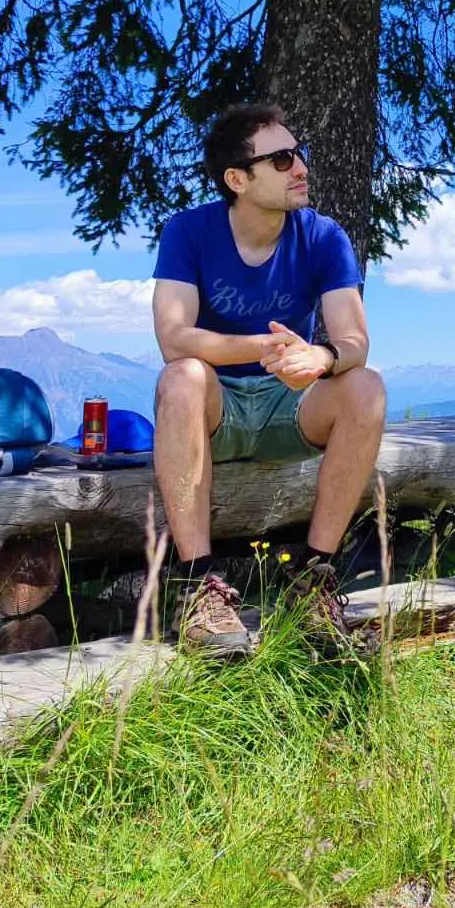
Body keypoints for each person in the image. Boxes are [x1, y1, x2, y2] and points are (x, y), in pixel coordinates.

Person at [151, 103, 386, 655]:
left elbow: (355, 341)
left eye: (298, 154)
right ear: (237, 179)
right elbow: (174, 337)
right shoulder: (188, 232)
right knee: (182, 377)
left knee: (366, 386)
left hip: (292, 404)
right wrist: (263, 346)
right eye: (281, 159)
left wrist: (322, 357)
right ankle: (197, 590)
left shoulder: (323, 236)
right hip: (218, 408)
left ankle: (314, 583)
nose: (300, 167)